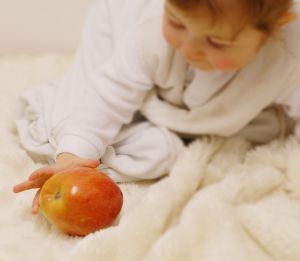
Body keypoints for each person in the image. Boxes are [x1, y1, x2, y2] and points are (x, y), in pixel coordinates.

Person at [13, 0, 300, 214]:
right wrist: (72, 157)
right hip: (120, 23)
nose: (189, 49)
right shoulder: (149, 33)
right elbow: (107, 94)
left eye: (216, 41)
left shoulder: (286, 57)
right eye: (176, 22)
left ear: (276, 27)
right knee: (75, 109)